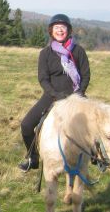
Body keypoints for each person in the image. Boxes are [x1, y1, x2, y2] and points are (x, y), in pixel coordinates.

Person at [18, 14, 90, 171]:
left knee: (95, 123)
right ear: (51, 31)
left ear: (68, 30)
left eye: (63, 27)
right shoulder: (45, 53)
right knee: (26, 125)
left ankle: (97, 157)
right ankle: (33, 158)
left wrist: (79, 93)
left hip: (76, 96)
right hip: (51, 95)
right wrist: (54, 94)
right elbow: (43, 79)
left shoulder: (78, 51)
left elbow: (85, 75)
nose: (60, 30)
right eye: (56, 28)